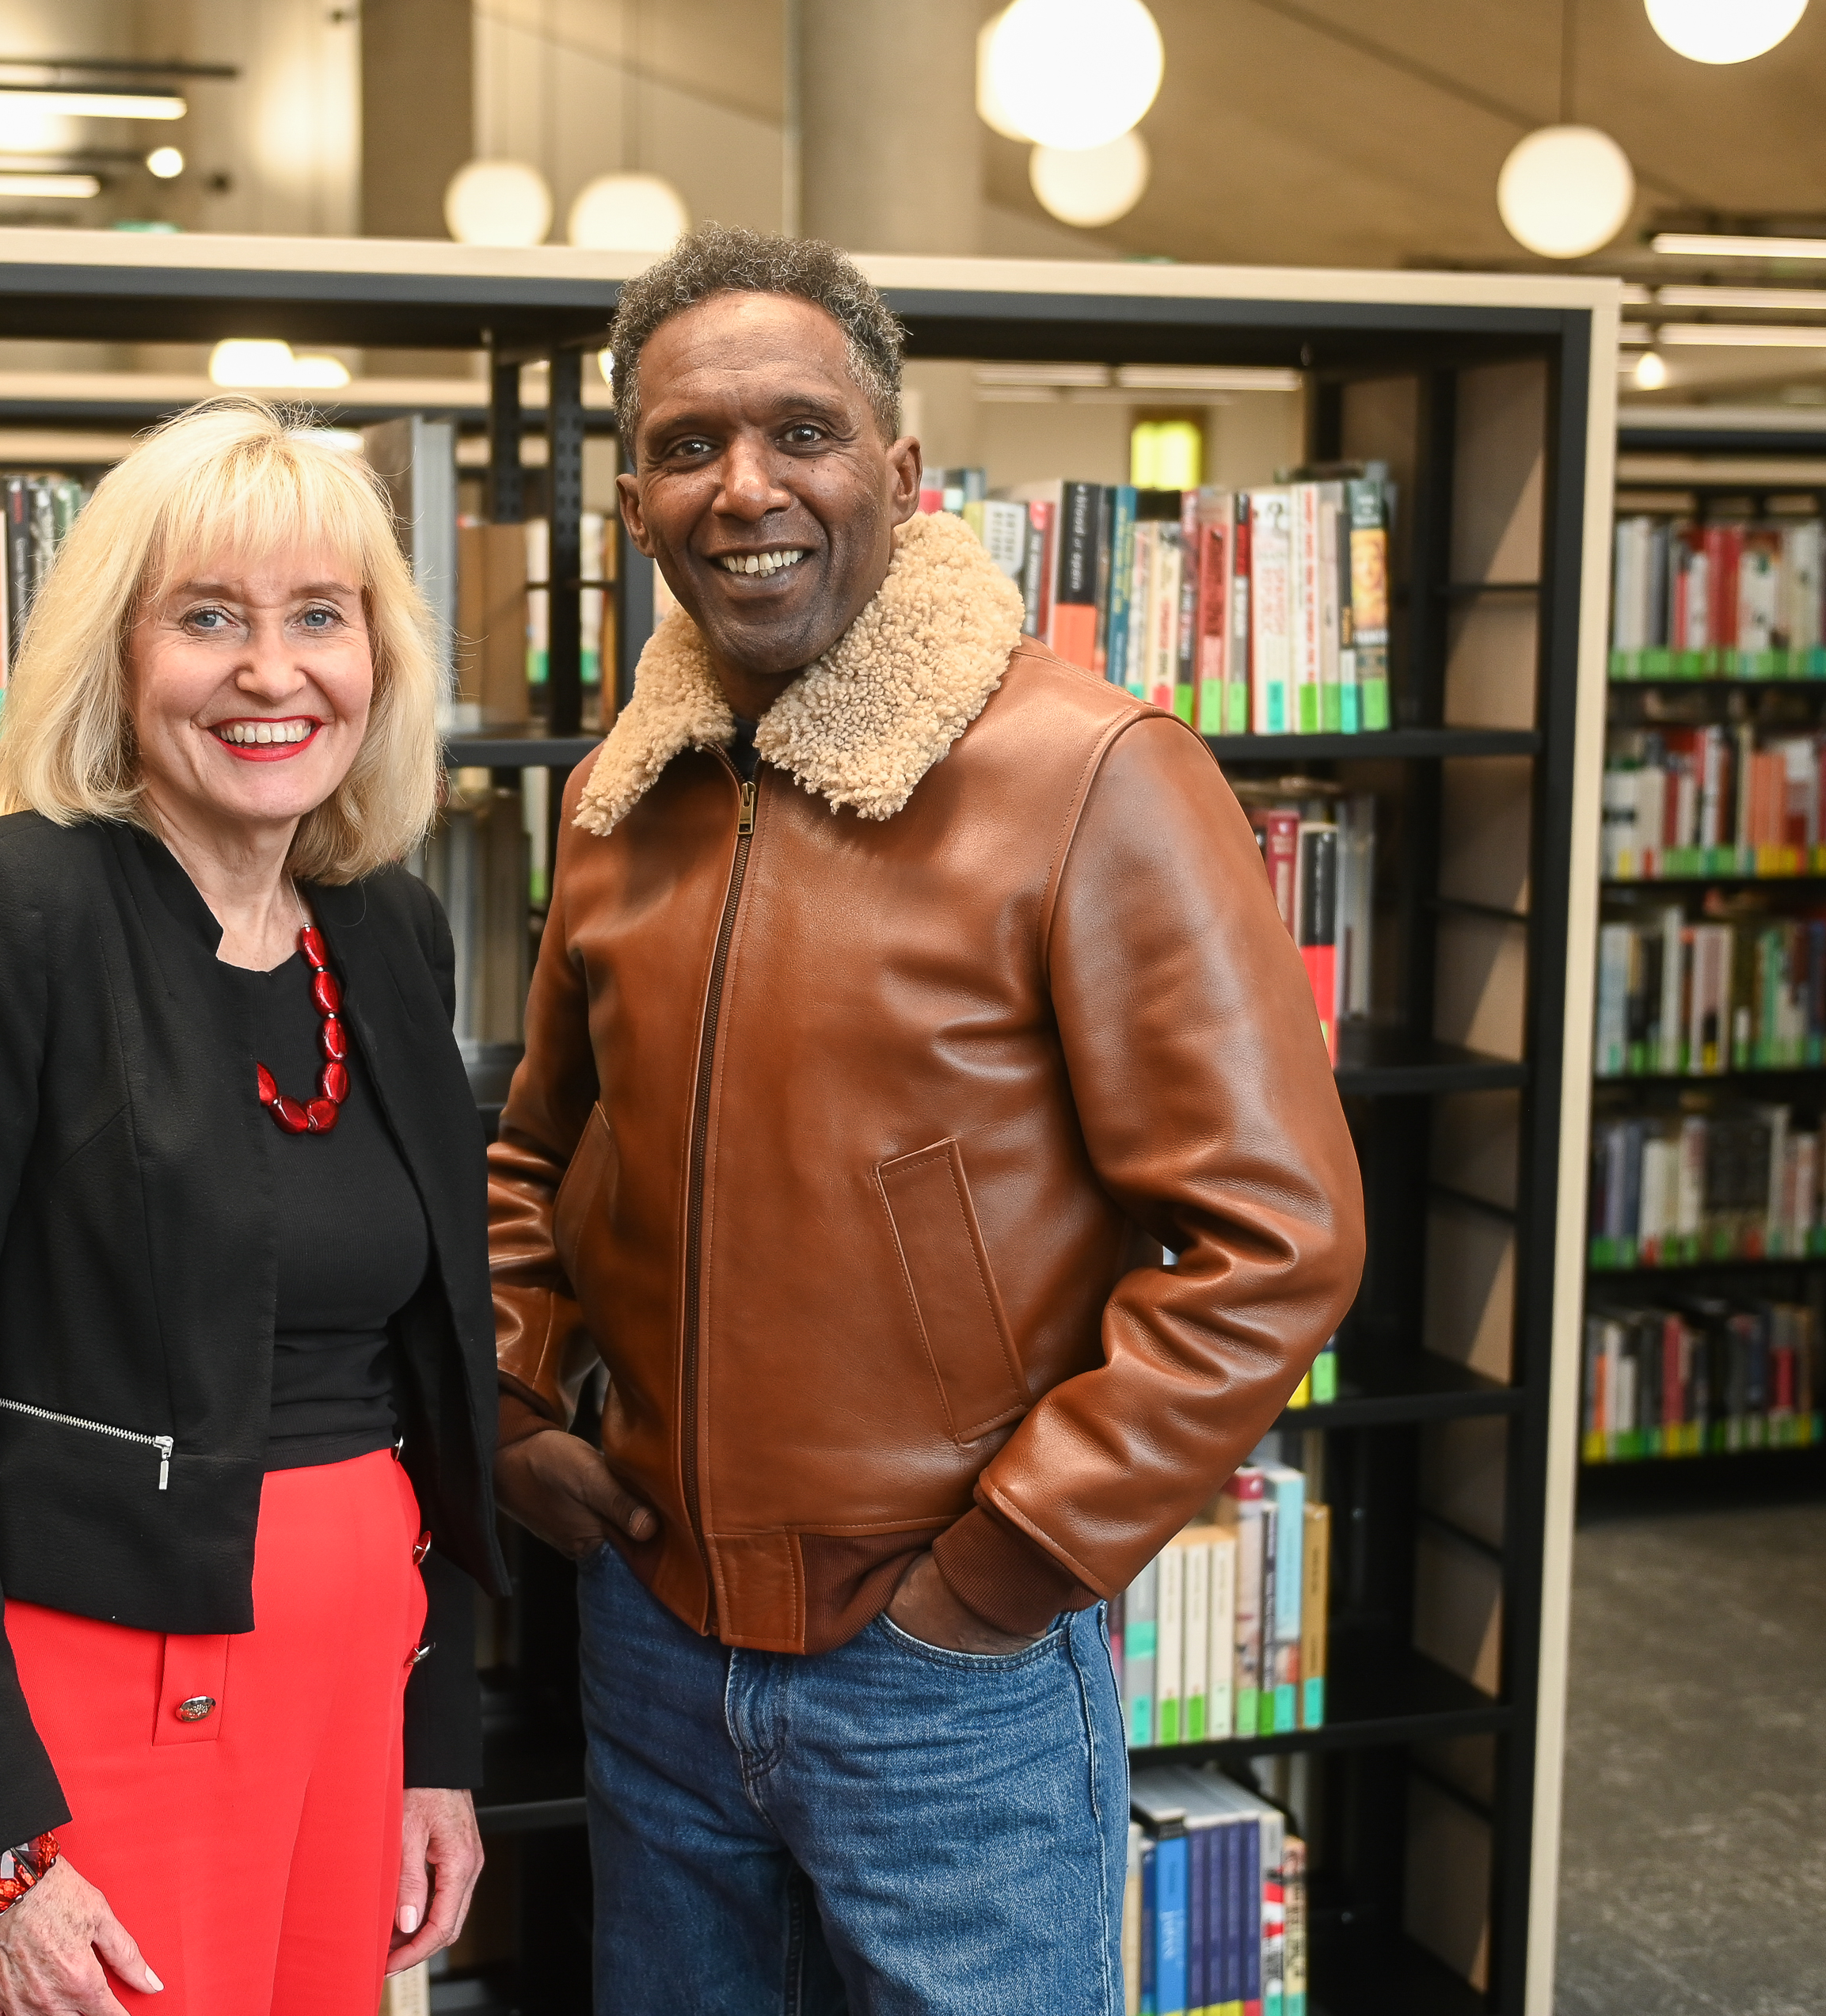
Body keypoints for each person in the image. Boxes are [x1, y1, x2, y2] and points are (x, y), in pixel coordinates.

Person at [488, 226, 1367, 2009]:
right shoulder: (622, 791)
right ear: (636, 502)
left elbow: (1276, 1236)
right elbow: (532, 1157)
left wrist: (1003, 1567)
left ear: (900, 473)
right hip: (651, 1628)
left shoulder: (1095, 772)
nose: (746, 490)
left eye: (801, 434)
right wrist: (517, 1395)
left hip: (939, 1662)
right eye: (684, 447)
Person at [0, 397, 501, 2016]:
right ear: (118, 661)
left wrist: (433, 1744)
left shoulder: (385, 930)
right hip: (94, 1701)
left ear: (380, 658)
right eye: (210, 619)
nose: (275, 672)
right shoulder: (1, 912)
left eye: (319, 617)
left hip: (354, 1681)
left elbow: (438, 1378)